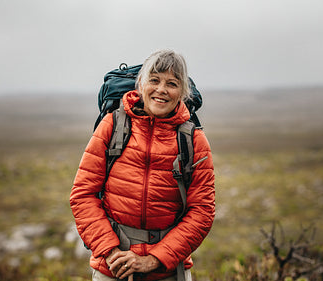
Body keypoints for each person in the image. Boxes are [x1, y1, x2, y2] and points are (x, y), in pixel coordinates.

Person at [69, 49, 215, 281]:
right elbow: (83, 195)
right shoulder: (112, 125)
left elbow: (202, 211)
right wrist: (111, 252)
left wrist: (153, 260)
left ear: (182, 93)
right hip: (112, 267)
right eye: (154, 80)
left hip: (168, 270)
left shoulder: (193, 139)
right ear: (141, 84)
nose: (161, 90)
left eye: (172, 83)